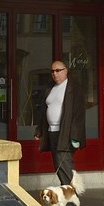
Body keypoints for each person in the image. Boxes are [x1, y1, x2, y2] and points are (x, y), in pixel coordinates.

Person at [34, 59, 86, 187]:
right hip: (52, 131)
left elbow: (78, 114)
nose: (55, 74)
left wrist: (74, 136)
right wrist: (39, 130)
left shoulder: (73, 87)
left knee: (64, 162)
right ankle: (67, 192)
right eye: (52, 71)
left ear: (66, 71)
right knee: (58, 163)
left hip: (66, 132)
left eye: (58, 70)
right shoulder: (50, 87)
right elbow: (44, 111)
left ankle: (73, 192)